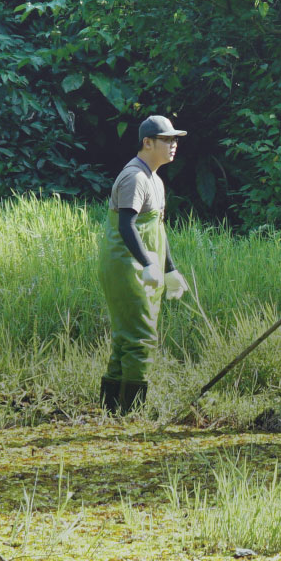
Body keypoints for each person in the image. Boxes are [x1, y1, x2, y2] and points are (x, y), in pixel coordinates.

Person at [99, 115, 190, 415]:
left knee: (126, 340)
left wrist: (170, 269)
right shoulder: (135, 177)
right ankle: (132, 415)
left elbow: (157, 230)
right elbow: (127, 226)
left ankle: (111, 412)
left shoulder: (156, 179)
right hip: (126, 267)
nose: (173, 145)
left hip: (144, 266)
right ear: (147, 142)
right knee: (140, 338)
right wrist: (146, 264)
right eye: (167, 139)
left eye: (175, 139)